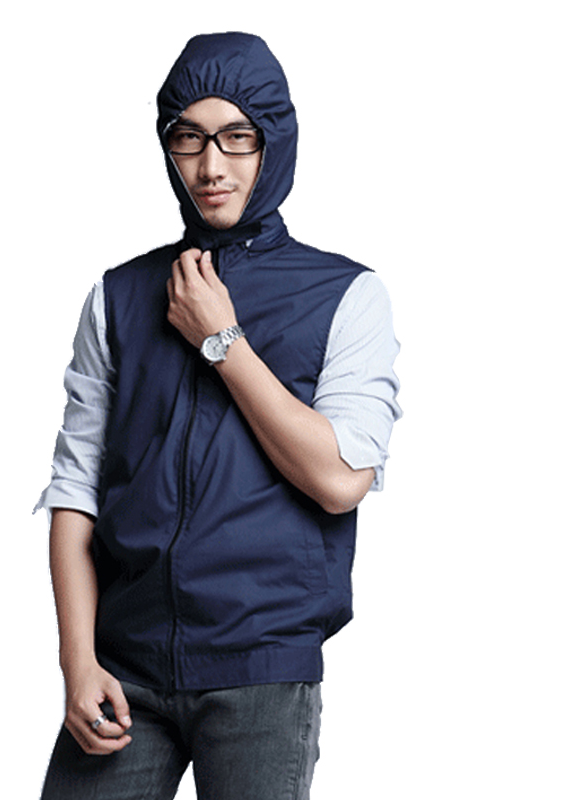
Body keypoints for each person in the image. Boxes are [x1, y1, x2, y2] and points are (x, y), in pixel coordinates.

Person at [35, 32, 401, 800]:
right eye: (188, 138)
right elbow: (76, 490)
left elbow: (340, 480)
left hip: (260, 668)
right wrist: (78, 662)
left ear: (274, 143)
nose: (210, 167)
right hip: (123, 667)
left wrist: (221, 341)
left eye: (238, 137)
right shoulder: (118, 296)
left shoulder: (345, 295)